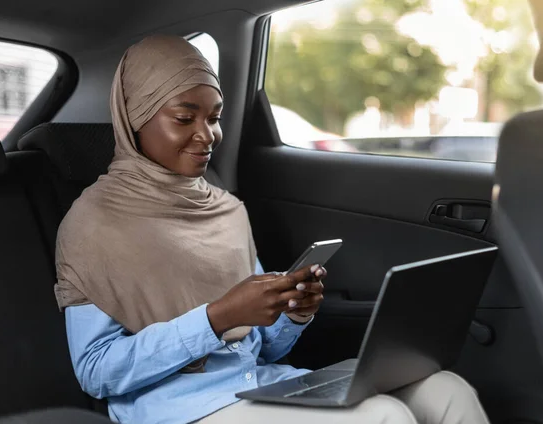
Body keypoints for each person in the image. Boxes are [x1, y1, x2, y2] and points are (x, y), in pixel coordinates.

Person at [55, 35, 490, 424]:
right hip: (181, 409)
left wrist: (293, 311)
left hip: (260, 384)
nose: (207, 135)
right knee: (383, 415)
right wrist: (216, 317)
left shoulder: (225, 211)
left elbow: (261, 347)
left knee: (445, 390)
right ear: (135, 119)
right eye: (185, 118)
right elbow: (96, 371)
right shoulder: (94, 224)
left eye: (215, 117)